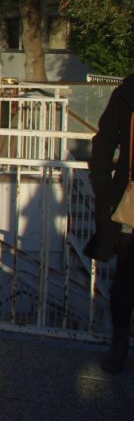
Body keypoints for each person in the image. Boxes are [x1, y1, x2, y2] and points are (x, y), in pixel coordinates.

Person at [84, 75, 134, 374]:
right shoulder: (128, 92)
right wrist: (104, 190)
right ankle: (119, 343)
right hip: (130, 202)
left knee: (126, 277)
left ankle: (119, 346)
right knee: (127, 277)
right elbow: (104, 143)